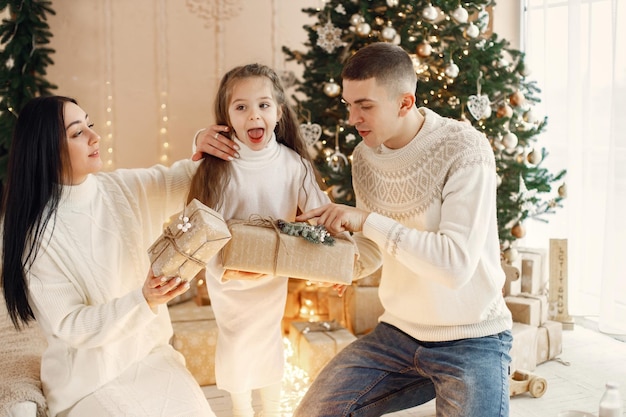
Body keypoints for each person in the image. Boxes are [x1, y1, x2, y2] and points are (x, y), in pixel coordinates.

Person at [203, 43, 514, 417]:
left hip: (473, 337)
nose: (352, 118)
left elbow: (454, 266)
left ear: (404, 102)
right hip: (398, 334)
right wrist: (339, 266)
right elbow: (372, 249)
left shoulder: (465, 148)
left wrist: (366, 221)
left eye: (364, 106)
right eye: (349, 105)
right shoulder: (365, 158)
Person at [1, 96, 217, 417]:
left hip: (152, 358)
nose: (94, 137)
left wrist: (203, 142)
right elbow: (73, 325)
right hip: (88, 384)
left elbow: (190, 179)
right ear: (47, 151)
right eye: (77, 133)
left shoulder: (121, 189)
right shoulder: (38, 235)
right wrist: (143, 300)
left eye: (90, 125)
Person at [189, 63, 377, 417]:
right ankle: (240, 409)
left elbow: (323, 217)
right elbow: (204, 227)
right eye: (240, 107)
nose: (253, 115)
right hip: (228, 279)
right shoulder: (219, 166)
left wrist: (338, 267)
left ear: (278, 112)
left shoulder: (295, 166)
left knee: (268, 340)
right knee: (236, 342)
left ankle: (271, 411)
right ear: (226, 116)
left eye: (263, 105)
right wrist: (225, 271)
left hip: (271, 277)